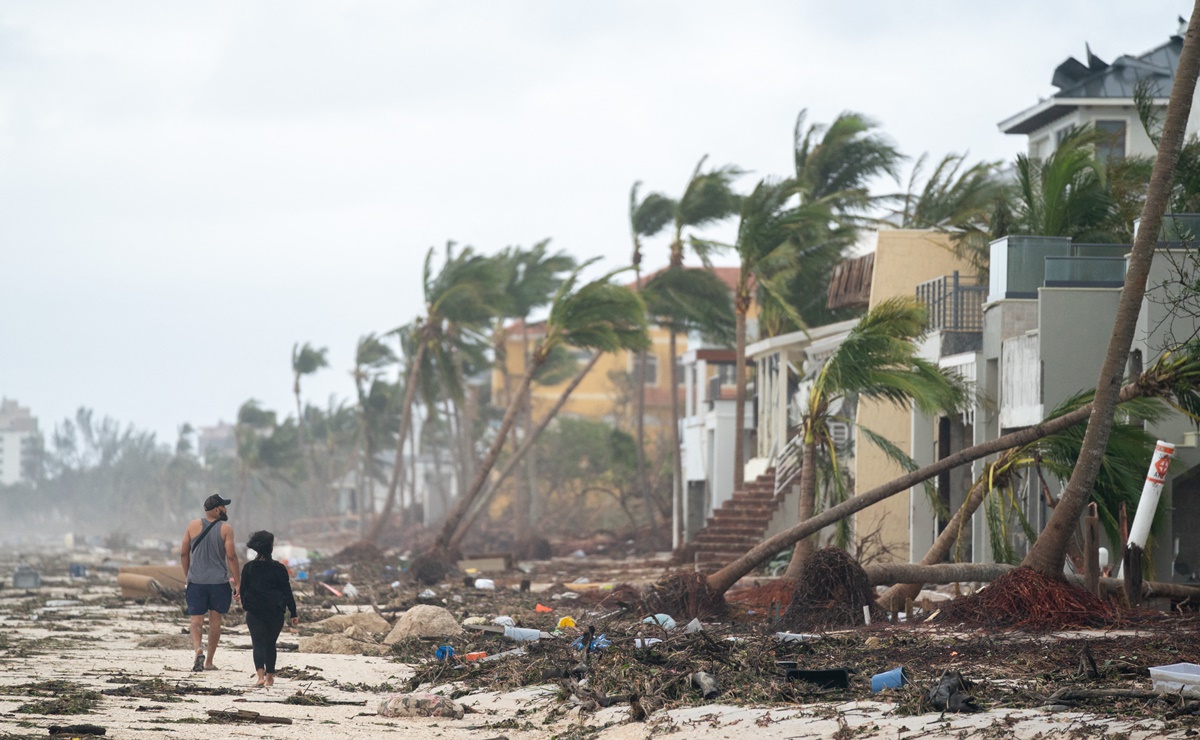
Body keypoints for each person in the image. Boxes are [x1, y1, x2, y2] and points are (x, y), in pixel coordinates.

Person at [180, 494, 240, 672]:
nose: (226, 509)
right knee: (215, 621)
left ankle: (198, 648)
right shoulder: (226, 529)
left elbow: (184, 553)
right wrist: (238, 582)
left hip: (196, 581)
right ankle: (209, 662)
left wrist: (188, 575)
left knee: (196, 620)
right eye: (223, 506)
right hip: (218, 582)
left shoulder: (192, 526)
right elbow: (231, 556)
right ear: (216, 509)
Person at [240, 530, 298, 687]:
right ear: (270, 547)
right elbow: (287, 591)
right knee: (270, 644)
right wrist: (293, 612)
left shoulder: (249, 568)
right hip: (275, 612)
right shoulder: (279, 568)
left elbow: (243, 590)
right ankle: (269, 677)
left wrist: (246, 606)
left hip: (254, 612)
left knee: (257, 643)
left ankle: (260, 676)